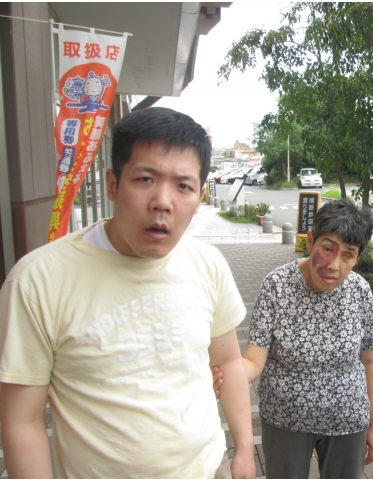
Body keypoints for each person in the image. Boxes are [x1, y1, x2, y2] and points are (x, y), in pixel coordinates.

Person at [0, 107, 255, 479]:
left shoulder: (208, 263)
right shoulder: (38, 281)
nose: (163, 201)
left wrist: (244, 448)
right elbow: (22, 420)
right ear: (112, 185)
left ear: (201, 196)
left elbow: (228, 361)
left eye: (183, 186)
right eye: (145, 179)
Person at [217, 198, 373, 478]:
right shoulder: (276, 286)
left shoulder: (359, 291)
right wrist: (222, 373)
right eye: (327, 249)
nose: (334, 265)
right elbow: (253, 362)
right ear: (310, 241)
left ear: (357, 258)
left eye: (348, 255)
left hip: (348, 420)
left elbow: (370, 361)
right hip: (284, 420)